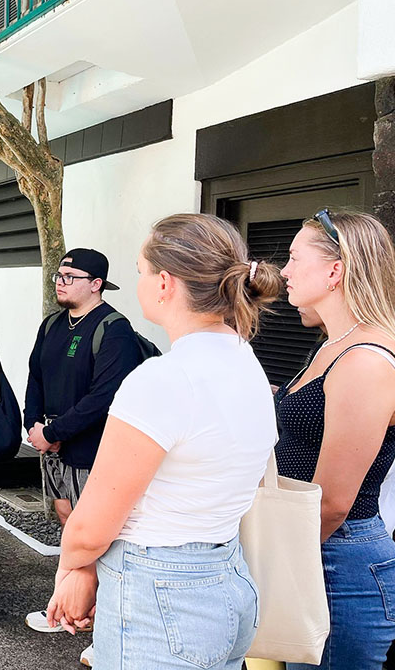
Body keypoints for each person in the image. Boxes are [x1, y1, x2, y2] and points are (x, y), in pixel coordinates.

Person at [48, 213, 282, 670]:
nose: (139, 283)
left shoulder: (164, 379)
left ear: (165, 283)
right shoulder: (246, 361)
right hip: (226, 575)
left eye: (140, 271)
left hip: (161, 590)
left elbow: (90, 524)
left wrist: (71, 570)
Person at [274, 209, 395, 670]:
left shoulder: (365, 359)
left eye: (293, 258)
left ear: (335, 270)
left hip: (339, 563)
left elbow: (332, 501)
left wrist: (279, 565)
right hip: (317, 550)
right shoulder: (330, 344)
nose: (284, 271)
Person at [23, 248, 145, 641]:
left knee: (97, 535)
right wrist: (35, 426)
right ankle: (70, 606)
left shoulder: (114, 329)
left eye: (71, 276)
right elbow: (35, 378)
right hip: (53, 446)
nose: (60, 281)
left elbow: (105, 397)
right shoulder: (52, 325)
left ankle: (105, 623)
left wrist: (54, 434)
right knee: (68, 524)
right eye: (59, 275)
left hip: (92, 451)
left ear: (96, 285)